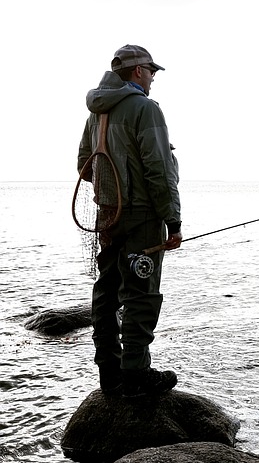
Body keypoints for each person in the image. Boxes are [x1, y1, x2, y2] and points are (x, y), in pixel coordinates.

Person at [77, 44, 182, 398]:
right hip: (142, 217)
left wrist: (112, 189)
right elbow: (159, 168)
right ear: (138, 71)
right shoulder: (145, 109)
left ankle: (109, 374)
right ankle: (136, 374)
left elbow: (83, 164)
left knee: (106, 292)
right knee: (141, 294)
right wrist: (173, 220)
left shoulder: (96, 114)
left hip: (107, 216)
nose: (154, 77)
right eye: (152, 71)